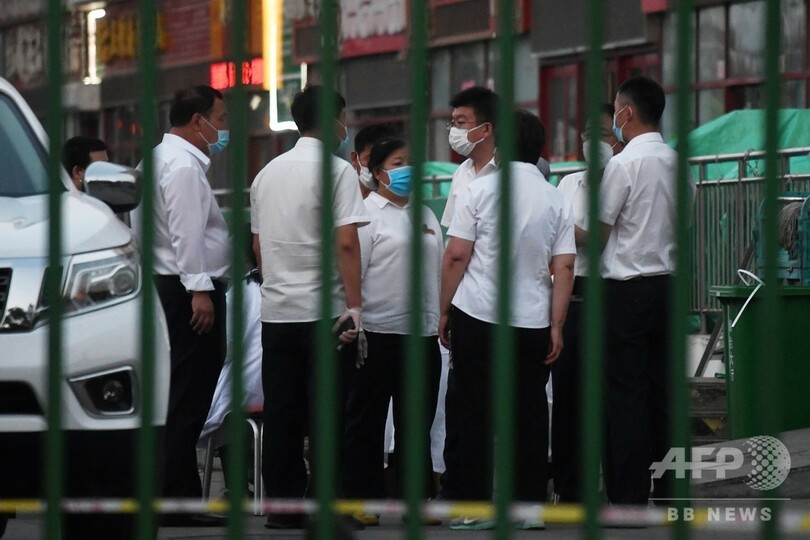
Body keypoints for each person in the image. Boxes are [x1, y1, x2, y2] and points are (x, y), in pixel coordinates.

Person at [438, 110, 575, 530]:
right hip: (532, 321)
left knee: (474, 414)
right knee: (529, 415)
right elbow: (565, 265)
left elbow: (456, 255)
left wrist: (444, 309)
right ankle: (528, 507)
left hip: (478, 315)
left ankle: (476, 507)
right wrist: (556, 325)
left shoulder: (479, 190)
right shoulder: (555, 198)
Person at [250, 85, 368, 530]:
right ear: (334, 120)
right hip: (326, 313)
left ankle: (282, 508)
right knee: (326, 413)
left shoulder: (266, 175)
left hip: (277, 313)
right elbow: (346, 243)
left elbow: (258, 246)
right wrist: (355, 306)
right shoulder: (337, 172)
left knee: (282, 412)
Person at [140, 85, 230, 527]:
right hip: (188, 292)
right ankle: (176, 499)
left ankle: (171, 492)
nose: (223, 128)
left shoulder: (155, 160)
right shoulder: (181, 166)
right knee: (188, 395)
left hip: (166, 287)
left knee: (176, 394)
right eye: (220, 118)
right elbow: (186, 232)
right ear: (198, 120)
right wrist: (199, 289)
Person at [598, 76, 692, 505]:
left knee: (626, 395)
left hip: (627, 290)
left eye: (616, 110)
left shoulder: (624, 165)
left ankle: (630, 496)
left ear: (627, 113)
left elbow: (599, 231)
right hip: (669, 288)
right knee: (666, 393)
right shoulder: (678, 163)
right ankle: (674, 490)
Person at [342, 138, 444, 526]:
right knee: (365, 422)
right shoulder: (365, 215)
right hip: (376, 332)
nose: (408, 169)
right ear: (378, 172)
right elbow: (354, 274)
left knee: (416, 422)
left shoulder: (426, 215)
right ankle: (360, 499)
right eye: (399, 162)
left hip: (422, 334)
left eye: (412, 161)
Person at [552, 103, 622, 503]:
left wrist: (568, 231)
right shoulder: (567, 185)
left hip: (610, 294)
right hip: (572, 295)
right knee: (568, 398)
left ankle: (618, 489)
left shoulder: (623, 179)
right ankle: (570, 490)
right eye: (587, 135)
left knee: (611, 398)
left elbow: (598, 239)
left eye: (603, 134)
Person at [198, 231, 264, 495]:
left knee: (220, 403)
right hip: (279, 385)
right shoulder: (270, 287)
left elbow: (226, 348)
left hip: (250, 389)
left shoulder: (239, 292)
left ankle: (237, 486)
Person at [440, 86, 499, 228]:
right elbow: (452, 229)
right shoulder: (461, 172)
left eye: (460, 123)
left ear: (486, 129)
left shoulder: (511, 170)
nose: (454, 130)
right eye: (453, 123)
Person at [350, 124, 397, 198]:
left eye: (385, 159)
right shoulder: (339, 194)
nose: (376, 166)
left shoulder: (405, 199)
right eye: (370, 158)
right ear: (355, 158)